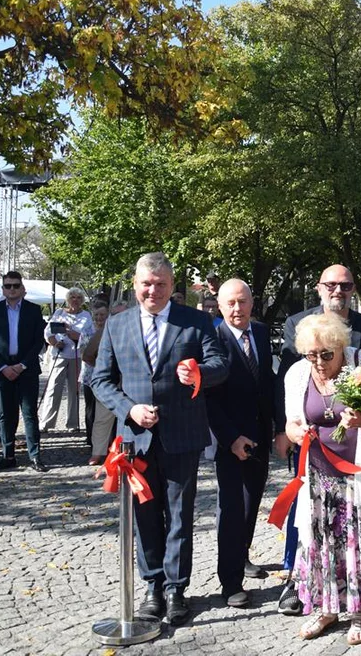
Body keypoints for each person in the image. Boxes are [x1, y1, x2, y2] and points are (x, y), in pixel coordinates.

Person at [91, 252, 228, 627]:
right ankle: (152, 586)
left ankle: (175, 590)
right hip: (136, 438)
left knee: (180, 517)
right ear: (135, 285)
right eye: (146, 284)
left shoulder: (197, 322)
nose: (153, 291)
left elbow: (220, 366)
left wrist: (199, 371)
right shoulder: (117, 326)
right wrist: (129, 410)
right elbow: (100, 380)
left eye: (161, 284)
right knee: (145, 516)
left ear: (172, 286)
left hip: (182, 436)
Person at [277, 263, 361, 612]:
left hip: (357, 469)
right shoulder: (299, 358)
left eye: (326, 354)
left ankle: (360, 610)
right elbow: (293, 415)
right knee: (316, 537)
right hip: (318, 470)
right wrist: (293, 432)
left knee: (358, 537)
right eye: (312, 355)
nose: (319, 361)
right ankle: (319, 604)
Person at [206, 279, 276, 609]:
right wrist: (231, 438)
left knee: (251, 504)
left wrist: (279, 429)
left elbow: (267, 383)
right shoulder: (211, 338)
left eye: (243, 302)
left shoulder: (260, 333)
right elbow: (207, 398)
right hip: (228, 439)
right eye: (231, 303)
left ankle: (243, 555)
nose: (238, 309)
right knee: (231, 509)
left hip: (259, 436)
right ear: (220, 306)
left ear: (252, 302)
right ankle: (230, 581)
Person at [0, 271, 47, 472]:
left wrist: (22, 366)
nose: (12, 289)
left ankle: (35, 456)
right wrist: (3, 367)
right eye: (8, 286)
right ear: (3, 289)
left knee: (29, 414)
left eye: (16, 285)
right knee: (6, 414)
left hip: (26, 369)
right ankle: (7, 455)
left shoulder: (34, 310)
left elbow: (39, 341)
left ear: (23, 289)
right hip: (2, 370)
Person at [40, 287, 92, 433]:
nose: (75, 300)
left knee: (74, 390)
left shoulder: (86, 315)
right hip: (60, 355)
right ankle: (46, 423)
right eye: (72, 297)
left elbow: (89, 336)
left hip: (76, 356)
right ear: (68, 299)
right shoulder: (59, 313)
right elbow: (48, 332)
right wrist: (55, 343)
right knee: (53, 388)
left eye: (78, 297)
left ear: (81, 300)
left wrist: (76, 335)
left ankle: (73, 424)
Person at [83, 302, 122, 465]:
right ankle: (97, 452)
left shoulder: (140, 329)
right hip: (110, 382)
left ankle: (128, 451)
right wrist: (103, 367)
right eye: (115, 314)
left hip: (133, 382)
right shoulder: (105, 331)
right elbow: (88, 355)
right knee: (102, 418)